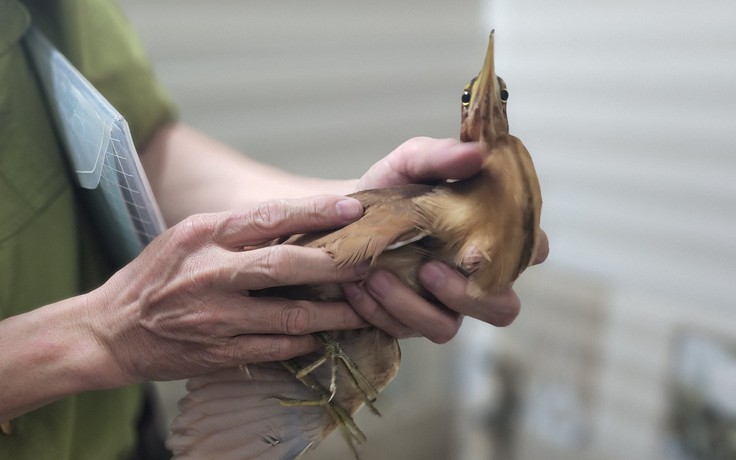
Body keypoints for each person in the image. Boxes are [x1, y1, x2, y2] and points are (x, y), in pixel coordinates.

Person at [0, 0, 549, 458]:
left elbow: (143, 146)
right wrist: (98, 334)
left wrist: (363, 204)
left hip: (111, 434)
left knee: (367, 368)